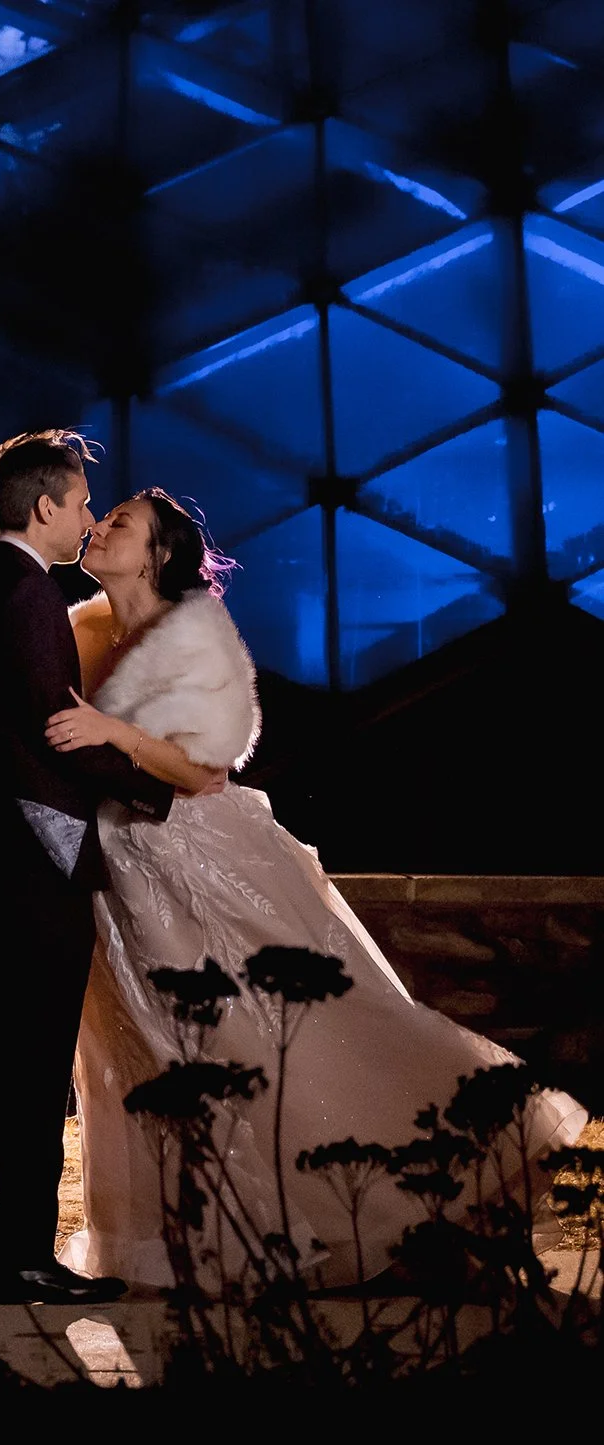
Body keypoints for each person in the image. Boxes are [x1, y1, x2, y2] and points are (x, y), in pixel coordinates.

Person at [45, 486, 588, 1287]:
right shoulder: (78, 625)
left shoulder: (196, 634)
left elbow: (205, 769)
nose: (100, 526)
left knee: (284, 1029)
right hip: (117, 871)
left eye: (119, 521)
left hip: (206, 860)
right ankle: (182, 1241)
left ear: (158, 553)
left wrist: (114, 731)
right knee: (143, 1048)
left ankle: (449, 1188)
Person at [0, 431, 178, 1305]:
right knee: (28, 1065)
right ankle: (23, 1256)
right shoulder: (29, 594)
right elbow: (55, 726)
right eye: (77, 503)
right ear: (43, 508)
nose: (84, 519)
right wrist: (159, 783)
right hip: (43, 854)